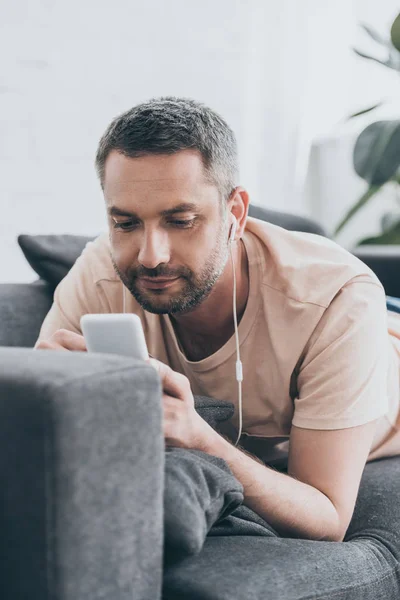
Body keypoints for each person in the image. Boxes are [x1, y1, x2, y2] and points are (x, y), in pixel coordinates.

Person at [35, 96, 400, 543]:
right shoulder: (98, 274)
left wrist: (198, 437)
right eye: (126, 224)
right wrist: (41, 389)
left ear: (236, 213)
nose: (151, 256)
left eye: (181, 220)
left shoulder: (338, 299)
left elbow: (326, 518)